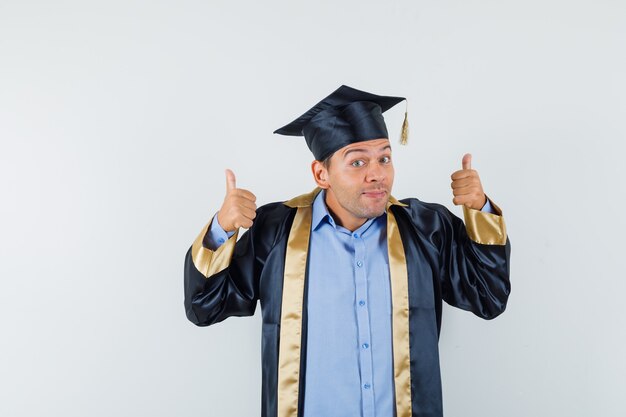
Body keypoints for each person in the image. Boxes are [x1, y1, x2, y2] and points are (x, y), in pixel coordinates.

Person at [183, 85, 511, 417]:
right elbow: (204, 308)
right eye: (357, 162)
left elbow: (489, 297)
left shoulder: (426, 228)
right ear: (321, 173)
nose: (377, 174)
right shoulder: (275, 231)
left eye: (384, 158)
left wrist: (480, 210)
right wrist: (221, 229)